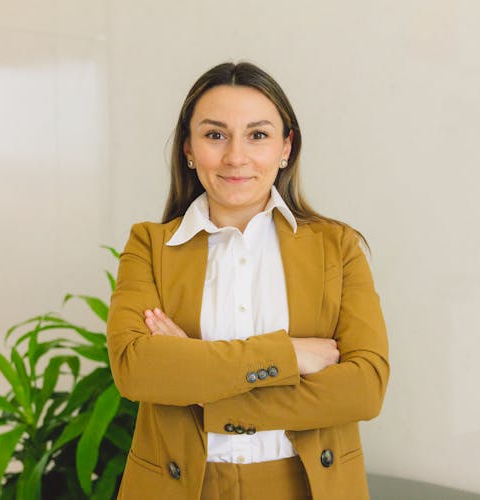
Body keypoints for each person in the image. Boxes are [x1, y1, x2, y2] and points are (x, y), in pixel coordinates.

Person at [107, 61, 389, 500]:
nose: (235, 156)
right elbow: (137, 369)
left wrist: (204, 388)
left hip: (306, 487)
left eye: (257, 135)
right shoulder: (150, 246)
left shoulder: (338, 247)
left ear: (285, 147)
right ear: (188, 147)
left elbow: (365, 388)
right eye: (214, 134)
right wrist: (288, 354)